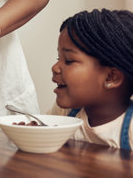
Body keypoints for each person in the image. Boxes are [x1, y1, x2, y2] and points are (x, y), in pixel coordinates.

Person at [49, 9, 133, 150]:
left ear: (111, 77)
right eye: (59, 58)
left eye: (69, 60)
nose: (55, 67)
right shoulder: (65, 113)